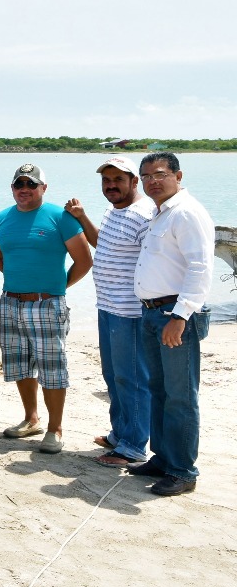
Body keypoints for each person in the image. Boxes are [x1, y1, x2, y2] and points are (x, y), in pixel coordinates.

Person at [0, 163, 92, 454]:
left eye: (31, 184)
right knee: (19, 364)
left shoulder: (61, 217)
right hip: (10, 303)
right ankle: (31, 418)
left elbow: (84, 262)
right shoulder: (0, 219)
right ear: (12, 188)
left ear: (43, 188)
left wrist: (56, 290)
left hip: (47, 304)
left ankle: (54, 427)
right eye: (19, 184)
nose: (24, 189)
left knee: (52, 368)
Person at [130, 152, 214, 496]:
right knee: (158, 391)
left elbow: (201, 268)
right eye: (146, 175)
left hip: (174, 315)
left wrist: (180, 316)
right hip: (152, 312)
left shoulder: (186, 212)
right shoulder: (159, 213)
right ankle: (163, 458)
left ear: (178, 176)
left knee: (180, 395)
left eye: (160, 174)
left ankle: (183, 470)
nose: (152, 180)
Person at [64, 157, 154, 468]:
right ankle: (121, 433)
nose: (111, 185)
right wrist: (81, 216)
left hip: (130, 311)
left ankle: (134, 445)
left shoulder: (145, 214)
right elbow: (102, 243)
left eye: (118, 179)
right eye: (106, 180)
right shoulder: (115, 211)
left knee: (133, 378)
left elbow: (156, 260)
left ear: (134, 182)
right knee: (113, 376)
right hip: (107, 306)